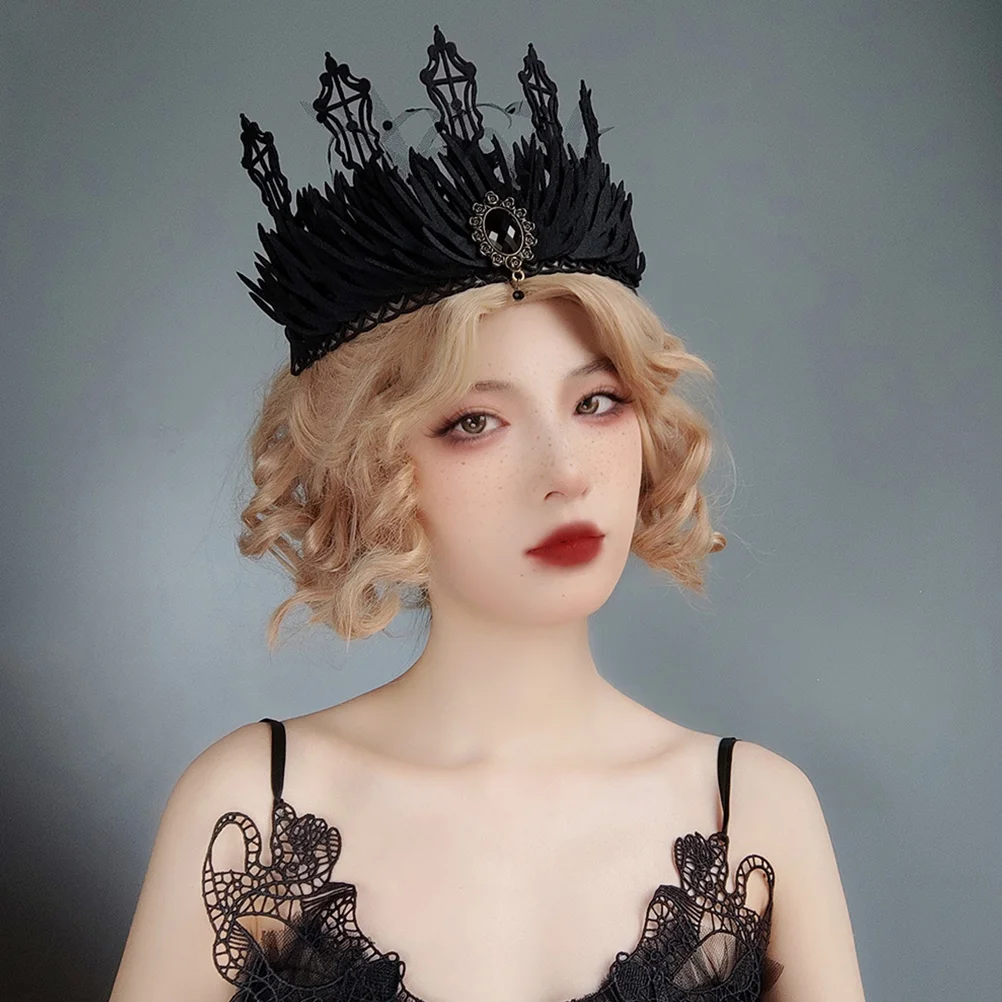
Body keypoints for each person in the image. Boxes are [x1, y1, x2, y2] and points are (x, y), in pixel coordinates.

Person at [108, 26, 865, 1002]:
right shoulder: (251, 809)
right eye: (476, 421)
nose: (565, 472)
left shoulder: (754, 816)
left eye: (597, 402)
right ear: (381, 466)